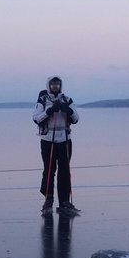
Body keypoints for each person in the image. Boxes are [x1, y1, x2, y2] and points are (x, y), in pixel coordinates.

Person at [32, 76, 80, 215]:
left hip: (64, 139)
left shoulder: (67, 99)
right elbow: (36, 117)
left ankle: (64, 200)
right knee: (49, 169)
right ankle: (48, 197)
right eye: (53, 85)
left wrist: (68, 110)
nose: (55, 87)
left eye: (57, 85)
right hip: (48, 139)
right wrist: (49, 110)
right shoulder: (43, 100)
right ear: (48, 85)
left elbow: (76, 118)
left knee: (65, 170)